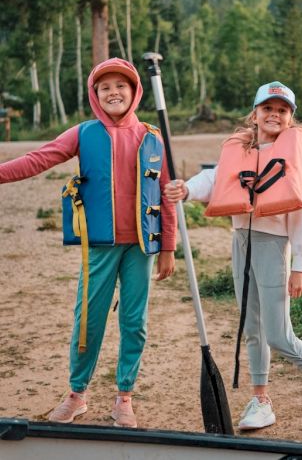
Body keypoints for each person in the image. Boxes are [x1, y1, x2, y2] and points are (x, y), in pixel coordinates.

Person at [164, 81, 302, 431]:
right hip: (241, 241)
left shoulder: (293, 157)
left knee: (279, 335)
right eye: (267, 108)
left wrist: (300, 266)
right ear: (254, 114)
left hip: (273, 247)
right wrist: (187, 189)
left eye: (282, 110)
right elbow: (215, 179)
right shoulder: (240, 150)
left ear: (290, 119)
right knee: (251, 328)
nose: (274, 115)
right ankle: (261, 400)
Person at [0, 58, 177, 428]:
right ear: (95, 96)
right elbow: (37, 159)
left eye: (121, 86)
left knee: (135, 322)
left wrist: (168, 247)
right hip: (98, 247)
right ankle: (77, 393)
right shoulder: (83, 133)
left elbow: (165, 195)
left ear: (135, 92)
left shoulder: (152, 137)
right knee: (88, 321)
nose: (114, 92)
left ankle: (124, 395)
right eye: (105, 87)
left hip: (141, 248)